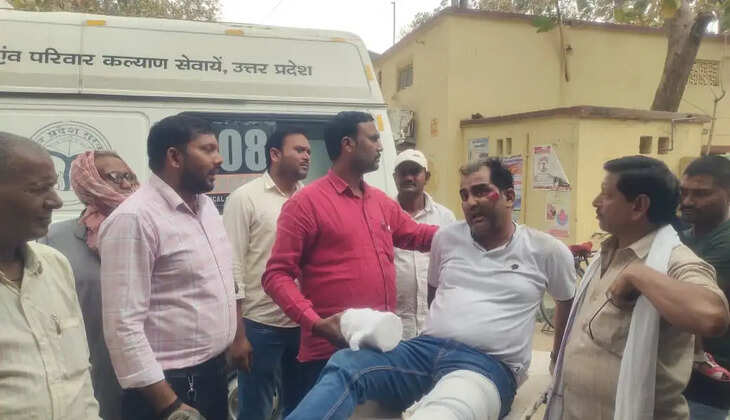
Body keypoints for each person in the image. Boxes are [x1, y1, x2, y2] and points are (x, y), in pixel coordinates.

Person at [285, 158, 577, 420]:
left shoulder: (546, 250)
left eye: (480, 191)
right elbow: (435, 295)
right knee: (346, 365)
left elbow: (566, 303)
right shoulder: (447, 238)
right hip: (424, 351)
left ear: (509, 196)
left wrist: (557, 360)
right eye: (464, 195)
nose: (470, 202)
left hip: (486, 365)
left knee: (447, 410)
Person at [262, 111, 439, 393]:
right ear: (348, 144)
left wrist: (466, 232)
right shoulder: (306, 204)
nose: (380, 146)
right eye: (373, 139)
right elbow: (276, 275)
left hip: (379, 348)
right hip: (328, 356)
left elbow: (417, 235)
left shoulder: (379, 201)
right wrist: (316, 323)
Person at [549, 156, 730, 420]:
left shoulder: (672, 261)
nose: (596, 202)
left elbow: (711, 316)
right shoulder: (605, 255)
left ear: (638, 206)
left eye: (606, 194)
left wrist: (639, 274)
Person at [99, 114, 248, 420]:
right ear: (174, 157)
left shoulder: (206, 207)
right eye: (207, 149)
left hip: (212, 373)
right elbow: (122, 326)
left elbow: (224, 278)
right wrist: (169, 405)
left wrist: (236, 336)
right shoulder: (135, 219)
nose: (219, 159)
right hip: (169, 388)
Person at [0, 132, 100, 419]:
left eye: (53, 186)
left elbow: (79, 377)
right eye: (37, 189)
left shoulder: (55, 265)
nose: (55, 201)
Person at [40, 150, 139, 420]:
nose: (126, 184)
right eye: (114, 177)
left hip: (149, 370)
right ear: (87, 180)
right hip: (88, 368)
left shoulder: (151, 231)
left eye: (130, 176)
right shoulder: (53, 239)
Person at [222, 127, 311, 419]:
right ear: (275, 154)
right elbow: (232, 265)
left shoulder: (309, 198)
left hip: (303, 322)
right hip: (259, 324)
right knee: (255, 410)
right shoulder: (245, 198)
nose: (307, 156)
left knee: (301, 408)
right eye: (299, 150)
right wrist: (238, 335)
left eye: (308, 151)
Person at [679, 155, 730, 420]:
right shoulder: (683, 236)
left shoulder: (726, 242)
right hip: (676, 371)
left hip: (709, 383)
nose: (687, 201)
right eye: (684, 192)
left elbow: (693, 303)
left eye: (701, 193)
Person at [392, 149, 455, 339]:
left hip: (434, 323)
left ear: (426, 177)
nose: (408, 178)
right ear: (395, 177)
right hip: (395, 324)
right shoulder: (383, 214)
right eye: (403, 173)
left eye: (415, 172)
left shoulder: (445, 217)